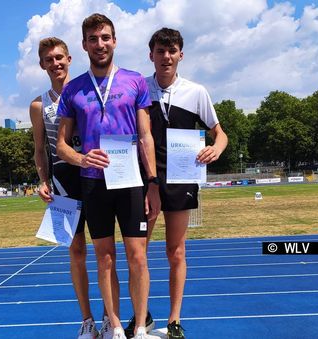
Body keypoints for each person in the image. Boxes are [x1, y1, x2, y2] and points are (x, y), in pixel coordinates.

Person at [57, 13, 161, 339]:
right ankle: (114, 324)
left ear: (114, 41)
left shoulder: (136, 82)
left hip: (130, 179)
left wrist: (153, 183)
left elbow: (145, 136)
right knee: (104, 258)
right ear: (85, 44)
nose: (100, 44)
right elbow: (61, 145)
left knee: (138, 256)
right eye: (93, 39)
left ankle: (140, 326)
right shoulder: (73, 90)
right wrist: (81, 156)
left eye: (105, 37)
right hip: (92, 181)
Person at [144, 28, 228, 339]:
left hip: (182, 178)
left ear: (181, 54)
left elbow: (221, 133)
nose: (166, 56)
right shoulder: (140, 89)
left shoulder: (196, 91)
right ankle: (143, 316)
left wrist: (215, 148)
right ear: (150, 54)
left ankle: (174, 319)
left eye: (172, 50)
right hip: (148, 179)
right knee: (138, 250)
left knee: (175, 251)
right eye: (160, 51)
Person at [29, 37, 100, 339]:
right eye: (49, 59)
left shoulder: (88, 91)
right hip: (61, 180)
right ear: (42, 64)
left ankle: (111, 316)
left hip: (94, 174)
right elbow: (39, 149)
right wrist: (43, 181)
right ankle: (87, 320)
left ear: (70, 59)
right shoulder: (37, 105)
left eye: (60, 57)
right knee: (76, 250)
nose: (55, 63)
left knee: (105, 248)